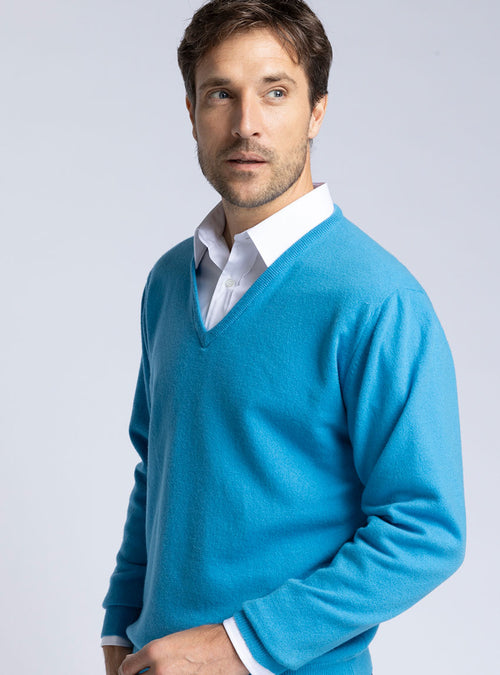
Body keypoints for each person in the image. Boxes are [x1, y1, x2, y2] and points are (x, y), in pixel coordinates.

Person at [101, 1, 466, 673]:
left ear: (316, 110)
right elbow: (158, 465)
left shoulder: (375, 299)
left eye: (275, 92)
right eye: (221, 94)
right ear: (191, 111)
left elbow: (425, 529)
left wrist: (240, 646)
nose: (247, 123)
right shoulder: (168, 282)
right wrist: (120, 624)